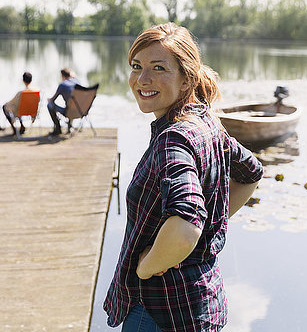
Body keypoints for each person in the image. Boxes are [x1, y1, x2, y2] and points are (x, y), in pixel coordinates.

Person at [103, 23, 264, 332]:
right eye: (136, 66)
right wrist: (207, 224)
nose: (142, 79)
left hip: (158, 312)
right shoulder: (205, 122)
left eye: (158, 68)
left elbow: (186, 224)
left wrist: (148, 267)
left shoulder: (173, 139)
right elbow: (250, 172)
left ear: (186, 77)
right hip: (201, 305)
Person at [46, 68, 80, 136]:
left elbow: (53, 100)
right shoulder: (77, 82)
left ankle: (58, 129)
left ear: (62, 76)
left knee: (49, 105)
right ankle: (69, 126)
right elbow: (74, 76)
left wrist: (49, 99)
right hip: (80, 111)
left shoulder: (62, 85)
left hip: (68, 112)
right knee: (71, 104)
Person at [3, 71, 34, 136]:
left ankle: (15, 129)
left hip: (20, 112)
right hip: (32, 112)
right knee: (20, 107)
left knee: (5, 106)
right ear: (31, 80)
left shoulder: (21, 93)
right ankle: (22, 126)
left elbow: (11, 102)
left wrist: (6, 103)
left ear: (23, 80)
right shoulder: (36, 92)